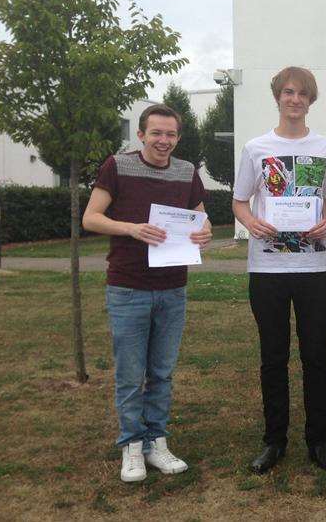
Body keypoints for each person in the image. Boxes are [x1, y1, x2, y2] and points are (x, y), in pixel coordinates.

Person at [83, 104, 212, 483]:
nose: (163, 141)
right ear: (140, 135)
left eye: (171, 134)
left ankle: (156, 441)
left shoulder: (187, 172)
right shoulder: (118, 166)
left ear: (178, 137)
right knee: (129, 373)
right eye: (156, 133)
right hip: (128, 286)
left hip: (173, 287)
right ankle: (132, 446)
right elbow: (91, 218)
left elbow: (201, 216)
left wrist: (204, 231)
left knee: (161, 371)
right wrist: (131, 229)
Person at [233, 66, 326, 475]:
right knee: (273, 358)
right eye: (287, 92)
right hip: (267, 269)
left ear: (311, 101)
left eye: (302, 94)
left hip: (315, 267)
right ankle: (274, 441)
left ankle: (319, 442)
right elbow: (240, 200)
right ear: (277, 97)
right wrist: (251, 223)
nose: (294, 99)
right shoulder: (255, 148)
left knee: (316, 358)